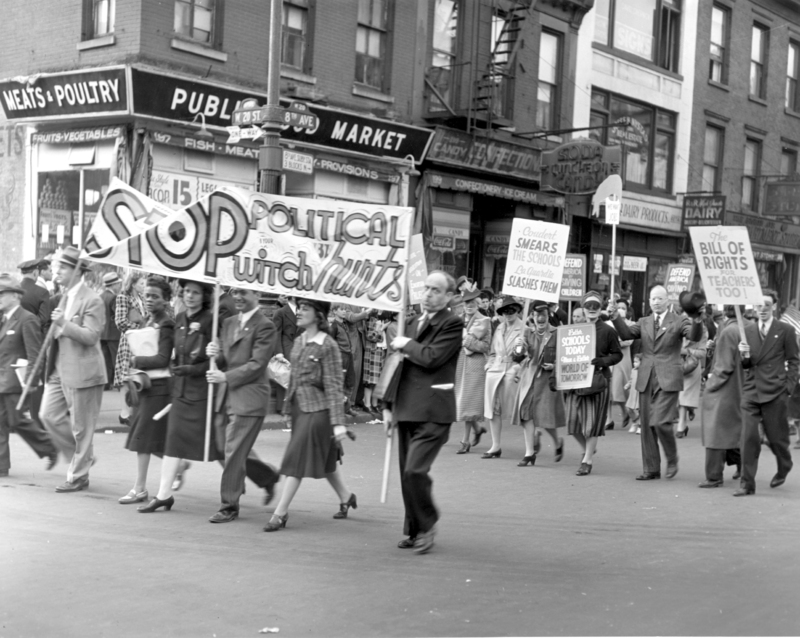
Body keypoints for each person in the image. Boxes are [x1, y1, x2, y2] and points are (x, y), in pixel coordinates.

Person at [264, 298, 356, 532]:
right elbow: (293, 379)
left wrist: (338, 423)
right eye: (300, 307)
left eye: (306, 308)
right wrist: (287, 408)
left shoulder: (328, 345)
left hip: (318, 412)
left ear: (319, 315)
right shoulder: (299, 341)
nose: (300, 311)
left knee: (296, 460)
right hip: (299, 409)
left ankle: (280, 513)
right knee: (326, 459)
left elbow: (334, 385)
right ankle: (346, 497)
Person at [388, 270, 463, 554]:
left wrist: (406, 344)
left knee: (415, 470)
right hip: (406, 406)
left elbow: (432, 358)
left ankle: (428, 523)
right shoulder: (409, 322)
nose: (428, 294)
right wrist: (387, 406)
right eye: (427, 288)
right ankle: (415, 529)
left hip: (434, 409)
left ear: (449, 296)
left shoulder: (452, 323)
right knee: (406, 475)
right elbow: (396, 367)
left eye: (436, 290)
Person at [138, 280, 224, 512]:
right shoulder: (180, 318)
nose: (190, 296)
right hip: (181, 391)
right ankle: (164, 495)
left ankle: (251, 477)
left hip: (202, 393)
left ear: (204, 296)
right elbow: (178, 353)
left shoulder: (211, 320)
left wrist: (200, 364)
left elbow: (220, 360)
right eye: (186, 291)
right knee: (173, 442)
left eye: (195, 292)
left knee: (218, 446)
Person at [611, 287, 704, 481]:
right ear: (649, 300)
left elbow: (693, 336)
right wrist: (615, 317)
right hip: (646, 378)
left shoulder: (679, 321)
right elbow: (626, 334)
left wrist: (696, 319)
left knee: (660, 421)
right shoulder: (644, 321)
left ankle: (672, 458)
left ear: (667, 300)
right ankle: (651, 469)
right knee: (646, 426)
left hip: (668, 378)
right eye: (653, 299)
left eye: (660, 298)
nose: (656, 302)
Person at [205, 287, 279, 523]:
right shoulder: (228, 323)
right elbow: (224, 359)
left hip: (249, 397)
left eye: (244, 292)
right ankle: (267, 476)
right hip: (226, 396)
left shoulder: (265, 326)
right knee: (222, 446)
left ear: (257, 294)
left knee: (233, 450)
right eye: (235, 291)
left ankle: (229, 505)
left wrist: (225, 376)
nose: (237, 296)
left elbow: (257, 364)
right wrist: (214, 353)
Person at [40, 247, 107, 493]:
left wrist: (63, 323)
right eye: (56, 267)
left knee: (82, 428)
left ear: (78, 271)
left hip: (84, 372)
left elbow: (91, 336)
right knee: (48, 415)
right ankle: (82, 457)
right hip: (59, 369)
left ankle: (79, 475)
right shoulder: (62, 297)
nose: (56, 272)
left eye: (63, 267)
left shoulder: (93, 299)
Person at [735, 291, 799, 496]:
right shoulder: (747, 331)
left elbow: (794, 361)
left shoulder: (785, 330)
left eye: (767, 305)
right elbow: (746, 365)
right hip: (752, 391)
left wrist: (788, 388)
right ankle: (747, 484)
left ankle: (784, 464)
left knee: (777, 439)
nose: (762, 309)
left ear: (775, 307)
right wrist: (743, 355)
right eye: (759, 305)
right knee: (748, 438)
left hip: (775, 392)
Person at [118, 277, 175, 505]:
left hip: (159, 388)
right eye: (147, 295)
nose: (149, 299)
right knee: (147, 437)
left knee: (143, 437)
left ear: (166, 300)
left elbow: (163, 358)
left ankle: (140, 488)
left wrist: (136, 360)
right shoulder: (148, 320)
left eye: (155, 296)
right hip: (146, 386)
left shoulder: (166, 324)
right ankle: (178, 465)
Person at [0, 274, 58, 476]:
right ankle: (1, 466)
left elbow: (36, 354)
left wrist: (31, 381)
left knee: (17, 420)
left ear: (15, 296)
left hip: (16, 380)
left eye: (2, 294)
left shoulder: (27, 319)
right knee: (0, 423)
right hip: (2, 380)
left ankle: (50, 446)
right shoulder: (4, 319)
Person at [565, 291, 622, 475]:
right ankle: (588, 449)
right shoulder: (573, 330)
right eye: (588, 306)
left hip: (598, 380)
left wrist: (603, 361)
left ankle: (587, 460)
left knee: (591, 423)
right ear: (583, 308)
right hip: (575, 380)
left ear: (600, 308)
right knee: (572, 422)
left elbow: (617, 354)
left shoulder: (608, 330)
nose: (591, 309)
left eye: (595, 306)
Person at [511, 300, 565, 466]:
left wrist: (555, 366)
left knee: (545, 418)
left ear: (548, 316)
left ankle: (557, 442)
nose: (540, 318)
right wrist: (518, 347)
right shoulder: (526, 333)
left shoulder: (557, 333)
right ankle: (529, 453)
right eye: (537, 315)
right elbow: (517, 357)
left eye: (543, 315)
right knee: (525, 414)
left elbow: (565, 358)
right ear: (532, 317)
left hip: (547, 380)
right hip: (529, 378)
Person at [699, 305, 743, 488]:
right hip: (740, 387)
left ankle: (714, 476)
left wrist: (710, 385)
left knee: (714, 432)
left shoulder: (728, 331)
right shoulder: (746, 328)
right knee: (732, 430)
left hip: (724, 387)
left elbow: (723, 366)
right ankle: (742, 465)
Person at [481, 296, 525, 458]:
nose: (508, 314)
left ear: (518, 311)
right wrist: (489, 365)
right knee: (493, 409)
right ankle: (496, 446)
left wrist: (518, 366)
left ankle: (533, 438)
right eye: (505, 311)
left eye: (512, 310)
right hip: (495, 373)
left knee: (520, 411)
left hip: (512, 373)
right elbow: (493, 352)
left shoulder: (524, 329)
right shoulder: (499, 328)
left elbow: (528, 355)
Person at [453, 285, 491, 454]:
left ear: (477, 304)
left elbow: (485, 346)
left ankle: (465, 440)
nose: (469, 306)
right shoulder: (458, 319)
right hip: (460, 363)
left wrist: (466, 341)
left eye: (472, 302)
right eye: (466, 302)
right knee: (462, 402)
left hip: (475, 364)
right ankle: (477, 429)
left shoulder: (484, 320)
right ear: (463, 304)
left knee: (468, 402)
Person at [114, 272, 146, 425]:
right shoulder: (123, 297)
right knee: (125, 378)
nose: (144, 286)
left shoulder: (142, 299)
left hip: (140, 342)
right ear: (133, 284)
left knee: (135, 377)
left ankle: (130, 412)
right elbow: (120, 322)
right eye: (141, 283)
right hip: (129, 341)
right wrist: (139, 329)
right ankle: (124, 413)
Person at [607, 298, 635, 430]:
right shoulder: (608, 323)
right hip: (610, 359)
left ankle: (629, 413)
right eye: (619, 307)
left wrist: (614, 342)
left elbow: (628, 341)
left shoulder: (631, 324)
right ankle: (610, 418)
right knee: (610, 390)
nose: (621, 310)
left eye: (623, 308)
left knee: (621, 389)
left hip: (622, 360)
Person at [269, 295, 299, 413]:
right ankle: (282, 407)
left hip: (299, 347)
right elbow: (276, 333)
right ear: (292, 297)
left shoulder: (302, 311)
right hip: (286, 348)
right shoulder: (281, 312)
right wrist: (278, 352)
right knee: (284, 377)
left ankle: (295, 406)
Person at [676, 325, 708, 438]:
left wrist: (686, 351)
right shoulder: (676, 325)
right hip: (675, 365)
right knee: (678, 397)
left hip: (691, 366)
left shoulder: (701, 329)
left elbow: (702, 353)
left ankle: (681, 426)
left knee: (684, 395)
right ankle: (690, 408)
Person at [330, 304, 356, 415]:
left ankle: (346, 408)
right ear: (334, 311)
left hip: (348, 355)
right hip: (341, 356)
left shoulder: (344, 324)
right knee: (339, 383)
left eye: (345, 309)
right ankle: (338, 409)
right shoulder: (334, 326)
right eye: (341, 309)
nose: (344, 311)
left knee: (350, 381)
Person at [362, 314, 389, 416]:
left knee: (377, 380)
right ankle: (367, 404)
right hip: (373, 352)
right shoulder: (372, 319)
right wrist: (380, 329)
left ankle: (374, 404)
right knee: (370, 380)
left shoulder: (384, 320)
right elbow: (370, 336)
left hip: (380, 352)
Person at [100, 272, 122, 391]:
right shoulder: (114, 298)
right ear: (113, 285)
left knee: (105, 359)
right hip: (113, 334)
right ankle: (118, 383)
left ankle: (106, 383)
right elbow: (118, 316)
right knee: (116, 359)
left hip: (102, 334)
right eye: (118, 284)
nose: (119, 286)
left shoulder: (100, 296)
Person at [18, 259, 50, 329]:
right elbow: (43, 319)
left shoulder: (14, 290)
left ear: (22, 273)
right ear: (35, 273)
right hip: (33, 331)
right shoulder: (43, 292)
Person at [624, 354, 642, 434]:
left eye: (636, 362)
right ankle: (635, 421)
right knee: (628, 408)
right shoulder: (633, 370)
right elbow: (631, 380)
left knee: (640, 410)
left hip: (639, 394)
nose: (634, 363)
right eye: (634, 362)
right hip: (633, 394)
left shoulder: (644, 371)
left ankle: (640, 426)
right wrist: (628, 385)